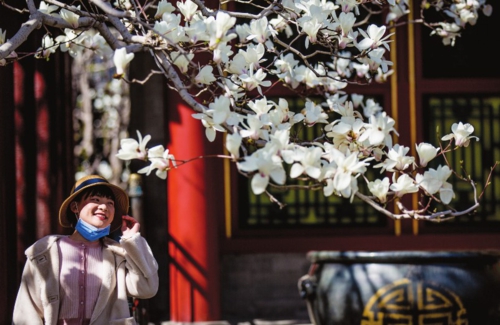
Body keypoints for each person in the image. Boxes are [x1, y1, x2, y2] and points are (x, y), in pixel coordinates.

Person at [12, 175, 159, 325]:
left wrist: (132, 240)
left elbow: (147, 288)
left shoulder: (117, 254)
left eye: (110, 203)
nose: (104, 207)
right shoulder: (46, 251)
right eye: (95, 200)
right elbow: (27, 310)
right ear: (75, 207)